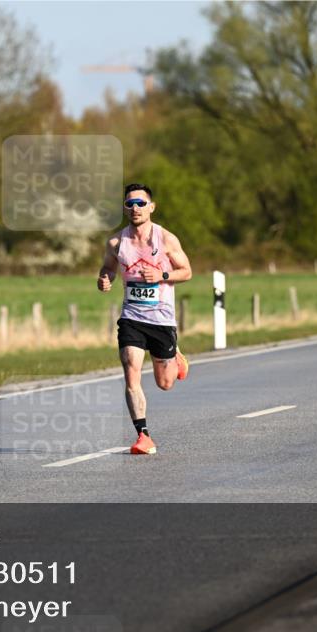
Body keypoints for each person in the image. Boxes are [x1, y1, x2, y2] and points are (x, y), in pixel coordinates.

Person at [97, 183, 192, 455]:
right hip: (132, 317)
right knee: (131, 371)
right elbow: (108, 267)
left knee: (165, 383)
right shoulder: (117, 242)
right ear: (125, 209)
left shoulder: (166, 240)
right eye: (130, 204)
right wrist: (105, 279)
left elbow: (186, 271)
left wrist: (162, 276)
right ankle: (143, 436)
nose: (135, 208)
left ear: (151, 207)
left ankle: (175, 358)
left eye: (140, 204)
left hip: (161, 320)